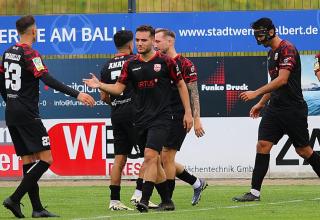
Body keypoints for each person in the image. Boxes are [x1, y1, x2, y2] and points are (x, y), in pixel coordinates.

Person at [84, 25, 193, 212]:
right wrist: (100, 85)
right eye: (138, 40)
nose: (140, 43)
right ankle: (167, 200)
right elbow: (118, 89)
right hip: (140, 119)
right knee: (153, 160)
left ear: (152, 41)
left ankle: (143, 198)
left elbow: (182, 85)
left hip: (162, 117)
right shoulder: (130, 64)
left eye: (144, 40)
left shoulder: (166, 62)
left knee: (151, 155)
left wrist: (188, 113)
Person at [0, 15, 95, 218]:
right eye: (36, 29)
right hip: (27, 113)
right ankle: (14, 199)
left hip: (12, 112)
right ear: (33, 31)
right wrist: (77, 93)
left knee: (28, 160)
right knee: (46, 158)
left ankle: (37, 208)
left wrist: (10, 102)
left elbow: (1, 81)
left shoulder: (8, 53)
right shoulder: (30, 53)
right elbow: (47, 79)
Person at [232, 17, 320, 202]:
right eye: (256, 34)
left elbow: (282, 80)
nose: (258, 38)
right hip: (275, 109)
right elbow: (274, 85)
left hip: (293, 110)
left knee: (304, 151)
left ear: (271, 32)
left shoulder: (287, 48)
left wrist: (255, 93)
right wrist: (262, 103)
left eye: (260, 34)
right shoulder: (271, 53)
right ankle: (254, 193)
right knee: (262, 145)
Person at [99, 30, 157, 210]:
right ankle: (138, 194)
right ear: (131, 44)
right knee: (150, 156)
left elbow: (104, 97)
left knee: (119, 159)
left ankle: (114, 200)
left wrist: (117, 102)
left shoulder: (106, 66)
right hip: (136, 114)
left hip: (117, 114)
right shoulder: (134, 61)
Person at [154, 28, 207, 205]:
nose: (155, 44)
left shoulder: (185, 64)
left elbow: (194, 93)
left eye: (158, 41)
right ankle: (197, 182)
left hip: (179, 115)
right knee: (160, 159)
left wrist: (195, 117)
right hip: (160, 115)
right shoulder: (157, 63)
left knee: (167, 156)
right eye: (154, 41)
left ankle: (167, 200)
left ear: (170, 42)